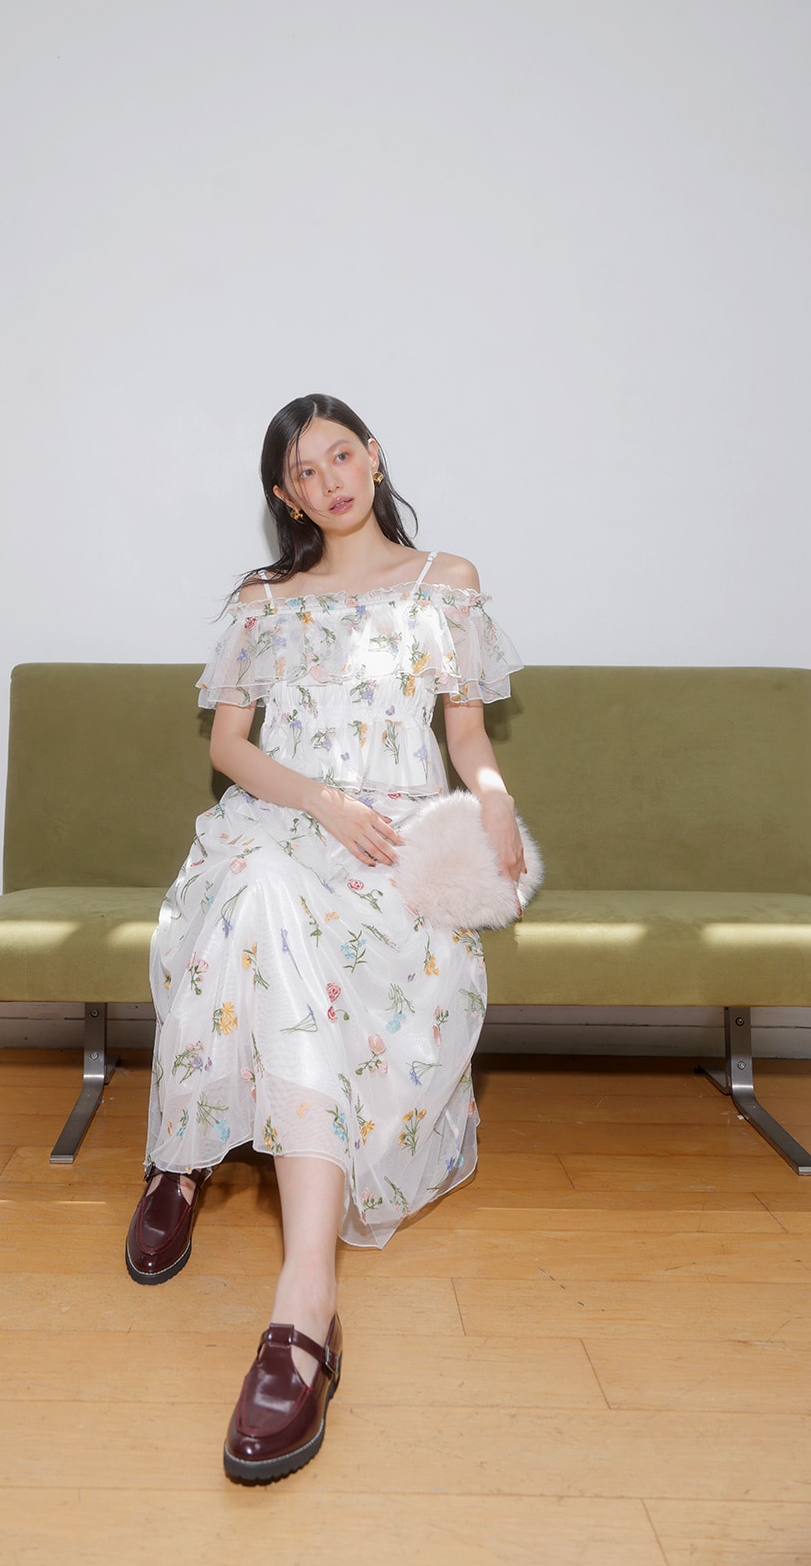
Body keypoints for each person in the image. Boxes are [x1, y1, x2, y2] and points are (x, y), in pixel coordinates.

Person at [125, 393, 524, 1484]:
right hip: (282, 820)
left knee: (283, 917)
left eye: (341, 455)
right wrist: (320, 804)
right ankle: (294, 1283)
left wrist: (491, 800)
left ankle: (183, 1157)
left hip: (393, 840)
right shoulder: (266, 598)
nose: (329, 480)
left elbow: (464, 735)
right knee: (257, 886)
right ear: (285, 495)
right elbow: (231, 747)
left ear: (373, 456)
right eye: (304, 471)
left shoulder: (445, 579)